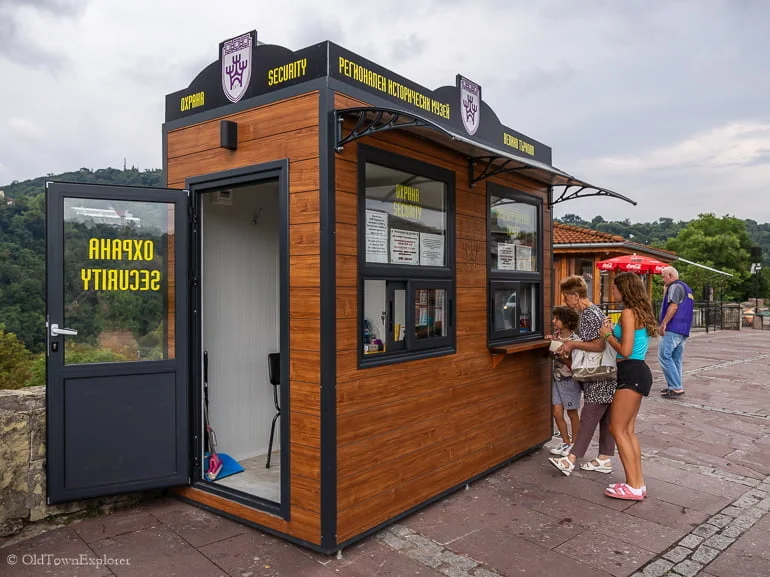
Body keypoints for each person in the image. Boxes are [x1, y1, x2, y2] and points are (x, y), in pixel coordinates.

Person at [548, 275, 616, 476]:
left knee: (588, 417)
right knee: (605, 419)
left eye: (566, 297)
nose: (565, 302)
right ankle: (604, 458)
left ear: (575, 296)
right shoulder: (595, 310)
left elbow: (598, 344)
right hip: (605, 373)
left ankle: (571, 459)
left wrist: (572, 344)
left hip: (597, 375)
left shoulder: (587, 314)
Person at [601, 272, 658, 500]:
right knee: (628, 431)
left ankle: (633, 485)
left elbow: (625, 350)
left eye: (614, 288)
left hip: (631, 373)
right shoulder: (638, 312)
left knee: (616, 428)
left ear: (624, 290)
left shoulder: (627, 313)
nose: (611, 292)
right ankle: (637, 483)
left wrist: (606, 334)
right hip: (637, 371)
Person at [548, 306, 582, 457]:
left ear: (566, 322)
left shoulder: (575, 341)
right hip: (556, 378)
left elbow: (573, 364)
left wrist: (561, 354)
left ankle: (575, 444)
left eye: (556, 318)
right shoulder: (556, 335)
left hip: (570, 380)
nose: (553, 320)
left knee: (572, 412)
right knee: (556, 412)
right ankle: (566, 441)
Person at [658, 266, 694, 398]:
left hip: (673, 327)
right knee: (675, 358)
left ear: (671, 276)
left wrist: (664, 323)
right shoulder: (686, 288)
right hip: (683, 329)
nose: (663, 280)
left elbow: (673, 306)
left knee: (664, 356)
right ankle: (674, 386)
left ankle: (676, 387)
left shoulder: (675, 286)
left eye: (664, 277)